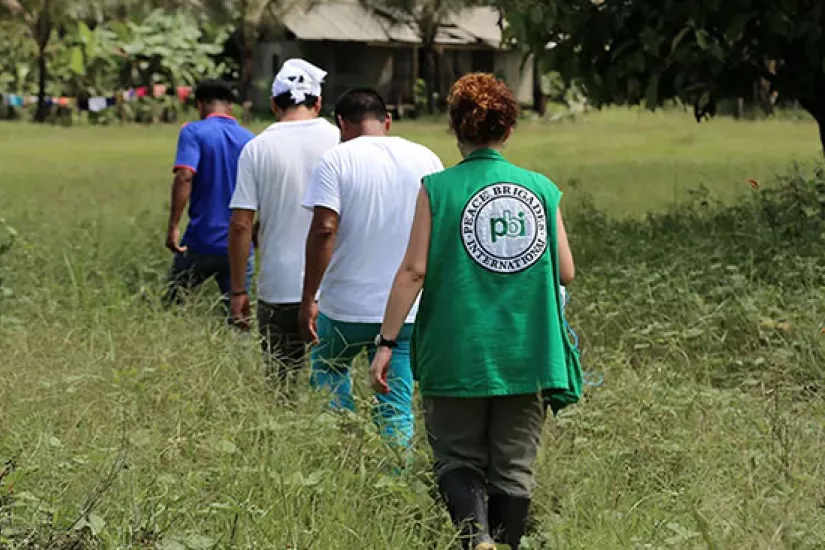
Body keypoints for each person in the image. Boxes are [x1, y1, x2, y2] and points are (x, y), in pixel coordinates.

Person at [368, 73, 582, 550]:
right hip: (527, 352)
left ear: (456, 129)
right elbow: (566, 271)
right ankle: (502, 544)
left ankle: (475, 540)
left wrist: (386, 343)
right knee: (514, 465)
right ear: (508, 130)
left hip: (456, 349)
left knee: (456, 457)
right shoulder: (542, 189)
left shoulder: (437, 188)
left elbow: (413, 271)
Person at [299, 88, 444, 449]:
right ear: (388, 121)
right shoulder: (426, 158)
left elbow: (324, 229)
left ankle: (342, 448)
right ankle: (395, 473)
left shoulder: (336, 160)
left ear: (341, 124)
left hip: (345, 307)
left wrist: (309, 297)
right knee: (395, 403)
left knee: (329, 369)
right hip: (407, 311)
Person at [228, 59, 340, 384]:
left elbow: (240, 225)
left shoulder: (256, 148)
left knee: (282, 382)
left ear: (274, 105)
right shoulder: (339, 140)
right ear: (318, 102)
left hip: (279, 286)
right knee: (335, 382)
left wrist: (238, 290)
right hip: (335, 285)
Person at [164, 79, 255, 312]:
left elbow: (185, 175)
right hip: (239, 243)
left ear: (200, 105)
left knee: (174, 305)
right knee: (238, 313)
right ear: (231, 107)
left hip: (200, 240)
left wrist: (174, 225)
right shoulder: (251, 139)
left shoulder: (193, 132)